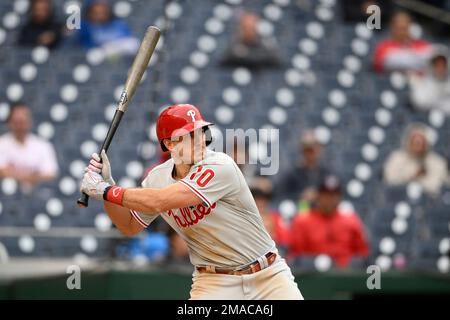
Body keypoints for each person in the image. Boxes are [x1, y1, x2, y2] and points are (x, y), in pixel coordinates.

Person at [80, 104, 303, 300]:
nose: (199, 140)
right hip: (214, 282)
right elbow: (129, 226)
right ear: (169, 144)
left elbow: (160, 200)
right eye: (189, 134)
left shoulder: (219, 165)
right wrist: (107, 188)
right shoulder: (158, 177)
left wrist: (107, 190)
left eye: (201, 131)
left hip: (267, 275)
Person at [288, 175, 369, 268]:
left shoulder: (351, 220)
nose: (329, 199)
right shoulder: (302, 221)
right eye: (325, 195)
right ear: (318, 196)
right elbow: (295, 256)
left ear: (339, 197)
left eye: (333, 195)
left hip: (345, 275)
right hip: (311, 275)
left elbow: (362, 255)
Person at [0, 103, 59, 193]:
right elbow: (2, 172)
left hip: (38, 196)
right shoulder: (2, 144)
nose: (20, 126)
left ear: (29, 122)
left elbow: (50, 174)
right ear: (9, 122)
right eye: (17, 122)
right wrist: (31, 176)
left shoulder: (43, 146)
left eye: (23, 122)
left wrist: (14, 173)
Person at [383, 123, 449, 197]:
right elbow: (390, 180)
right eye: (416, 143)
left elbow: (439, 185)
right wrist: (412, 176)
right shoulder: (396, 158)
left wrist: (420, 180)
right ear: (409, 142)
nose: (419, 147)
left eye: (422, 143)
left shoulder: (437, 162)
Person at [276, 130, 330, 205]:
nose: (309, 154)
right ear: (301, 151)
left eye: (312, 150)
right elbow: (280, 196)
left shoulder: (326, 173)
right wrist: (301, 196)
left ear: (318, 150)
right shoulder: (292, 174)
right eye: (306, 150)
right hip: (299, 212)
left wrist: (318, 195)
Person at [250, 177, 289, 252]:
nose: (261, 202)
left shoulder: (276, 217)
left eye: (264, 198)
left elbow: (285, 241)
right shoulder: (246, 218)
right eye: (257, 198)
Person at [409, 46, 450, 115]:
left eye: (443, 64)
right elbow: (419, 102)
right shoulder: (423, 82)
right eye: (437, 64)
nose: (440, 67)